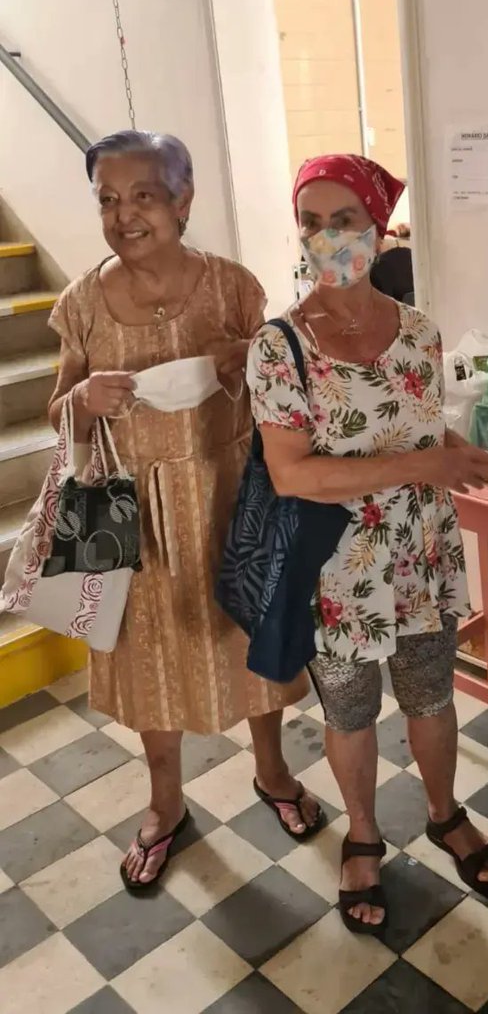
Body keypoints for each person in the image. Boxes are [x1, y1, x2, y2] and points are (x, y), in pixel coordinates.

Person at [247, 153, 488, 934]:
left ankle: (445, 813)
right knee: (350, 711)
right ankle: (362, 833)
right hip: (337, 569)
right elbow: (292, 474)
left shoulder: (418, 332)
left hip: (421, 554)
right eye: (311, 223)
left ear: (378, 228)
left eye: (345, 221)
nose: (328, 238)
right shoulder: (280, 347)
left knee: (431, 695)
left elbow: (426, 432)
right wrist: (424, 466)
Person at [47, 130, 323, 894]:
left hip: (232, 498)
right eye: (108, 199)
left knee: (250, 637)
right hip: (130, 512)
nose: (124, 215)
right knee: (148, 664)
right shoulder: (80, 304)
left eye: (143, 196)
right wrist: (81, 398)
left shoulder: (233, 287)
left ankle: (273, 771)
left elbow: (285, 386)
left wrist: (251, 360)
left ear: (182, 200)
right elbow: (58, 415)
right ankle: (164, 804)